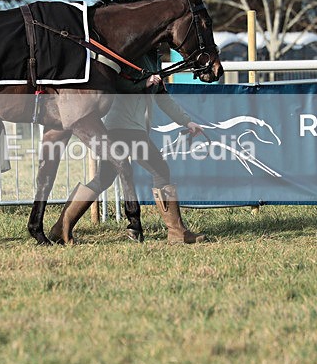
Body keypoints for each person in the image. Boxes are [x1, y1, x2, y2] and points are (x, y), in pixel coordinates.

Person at [54, 47, 206, 244]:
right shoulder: (135, 53)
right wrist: (146, 81)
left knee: (103, 179)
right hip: (127, 128)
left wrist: (187, 122)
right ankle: (176, 232)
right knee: (160, 171)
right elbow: (119, 84)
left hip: (124, 128)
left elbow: (163, 98)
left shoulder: (154, 59)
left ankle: (61, 227)